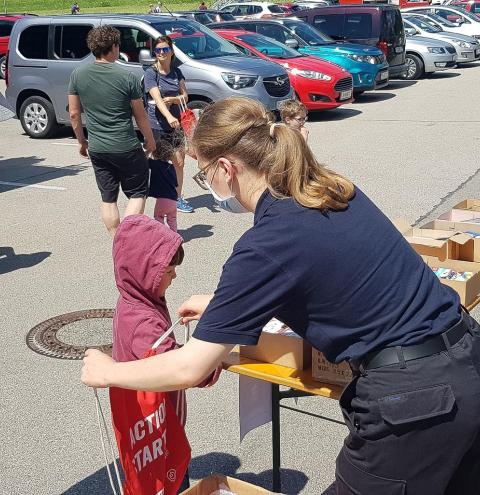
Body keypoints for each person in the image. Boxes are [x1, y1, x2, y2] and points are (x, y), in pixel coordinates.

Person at [82, 97, 480, 495]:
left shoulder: (265, 244)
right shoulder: (331, 189)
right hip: (466, 356)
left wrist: (108, 372)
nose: (209, 186)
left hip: (417, 399)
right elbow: (331, 285)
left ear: (226, 167)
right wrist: (224, 307)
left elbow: (189, 368)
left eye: (204, 174)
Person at [111, 215, 220, 493]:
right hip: (156, 431)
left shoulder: (136, 299)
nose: (175, 276)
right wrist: (216, 354)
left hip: (152, 426)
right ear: (145, 272)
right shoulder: (143, 322)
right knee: (169, 483)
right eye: (169, 272)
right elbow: (180, 370)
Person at [68, 26, 155, 237]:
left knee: (108, 198)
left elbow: (73, 114)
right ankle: (128, 236)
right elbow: (140, 115)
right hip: (126, 146)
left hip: (98, 148)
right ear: (114, 47)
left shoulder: (78, 74)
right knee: (137, 193)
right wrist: (150, 140)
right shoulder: (127, 77)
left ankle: (117, 240)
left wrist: (82, 142)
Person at [144, 35, 193, 214]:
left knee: (180, 161)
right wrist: (169, 117)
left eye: (165, 49)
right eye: (158, 50)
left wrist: (175, 99)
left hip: (177, 125)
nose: (162, 53)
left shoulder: (176, 72)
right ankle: (164, 199)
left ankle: (178, 197)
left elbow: (185, 96)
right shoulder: (151, 73)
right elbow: (157, 99)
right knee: (162, 164)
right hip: (158, 124)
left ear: (171, 52)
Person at [149, 139, 179, 231]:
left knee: (158, 217)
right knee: (172, 219)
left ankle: (162, 234)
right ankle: (174, 234)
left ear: (155, 153)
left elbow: (144, 160)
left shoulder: (154, 164)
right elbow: (175, 183)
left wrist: (148, 151)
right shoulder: (171, 167)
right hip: (173, 199)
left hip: (162, 199)